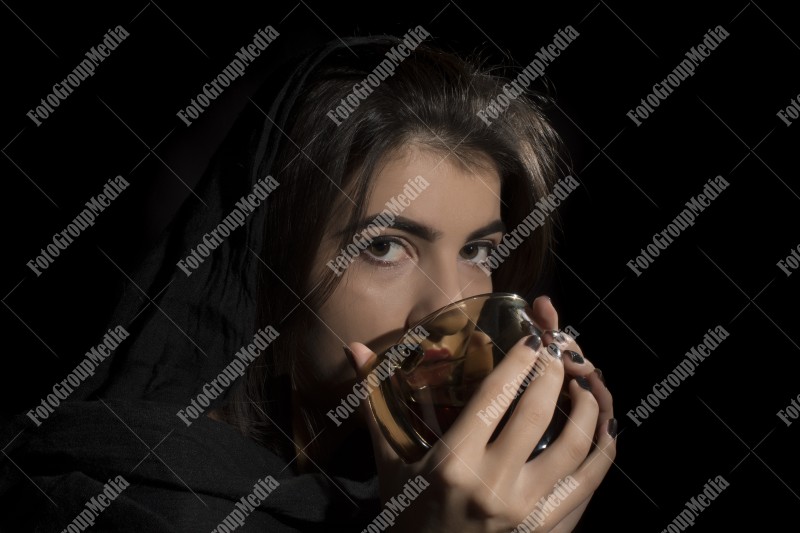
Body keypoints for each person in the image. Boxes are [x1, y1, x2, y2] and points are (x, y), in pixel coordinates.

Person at [0, 33, 615, 532]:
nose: (454, 305)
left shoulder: (444, 484)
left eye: (479, 250)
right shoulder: (122, 503)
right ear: (268, 266)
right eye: (383, 246)